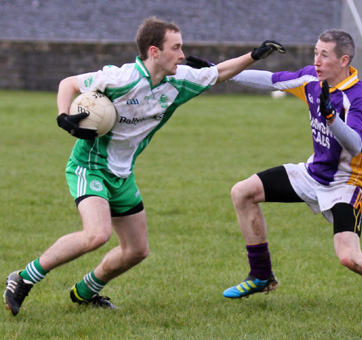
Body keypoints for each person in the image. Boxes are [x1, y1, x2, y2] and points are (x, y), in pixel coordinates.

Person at [3, 17, 285, 316]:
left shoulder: (179, 81)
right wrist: (63, 116)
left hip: (123, 175)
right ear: (154, 51)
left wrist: (253, 56)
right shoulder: (119, 78)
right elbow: (68, 84)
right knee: (96, 235)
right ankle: (22, 278)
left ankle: (85, 292)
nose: (181, 54)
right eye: (175, 48)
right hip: (90, 166)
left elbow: (219, 72)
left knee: (137, 251)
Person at [215, 29, 362, 322]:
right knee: (242, 192)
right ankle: (261, 276)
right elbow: (269, 80)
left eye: (324, 54)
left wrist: (332, 119)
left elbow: (357, 145)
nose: (317, 60)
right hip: (313, 174)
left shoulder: (357, 98)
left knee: (349, 257)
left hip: (346, 184)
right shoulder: (312, 79)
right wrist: (215, 73)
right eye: (315, 52)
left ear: (344, 60)